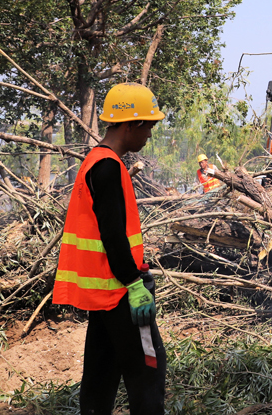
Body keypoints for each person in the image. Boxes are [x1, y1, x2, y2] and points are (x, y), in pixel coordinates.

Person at [53, 82, 166, 414]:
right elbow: (113, 237)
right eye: (148, 125)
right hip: (120, 293)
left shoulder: (96, 162)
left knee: (100, 378)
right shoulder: (107, 167)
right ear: (130, 125)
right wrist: (134, 284)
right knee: (149, 371)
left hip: (104, 295)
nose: (149, 134)